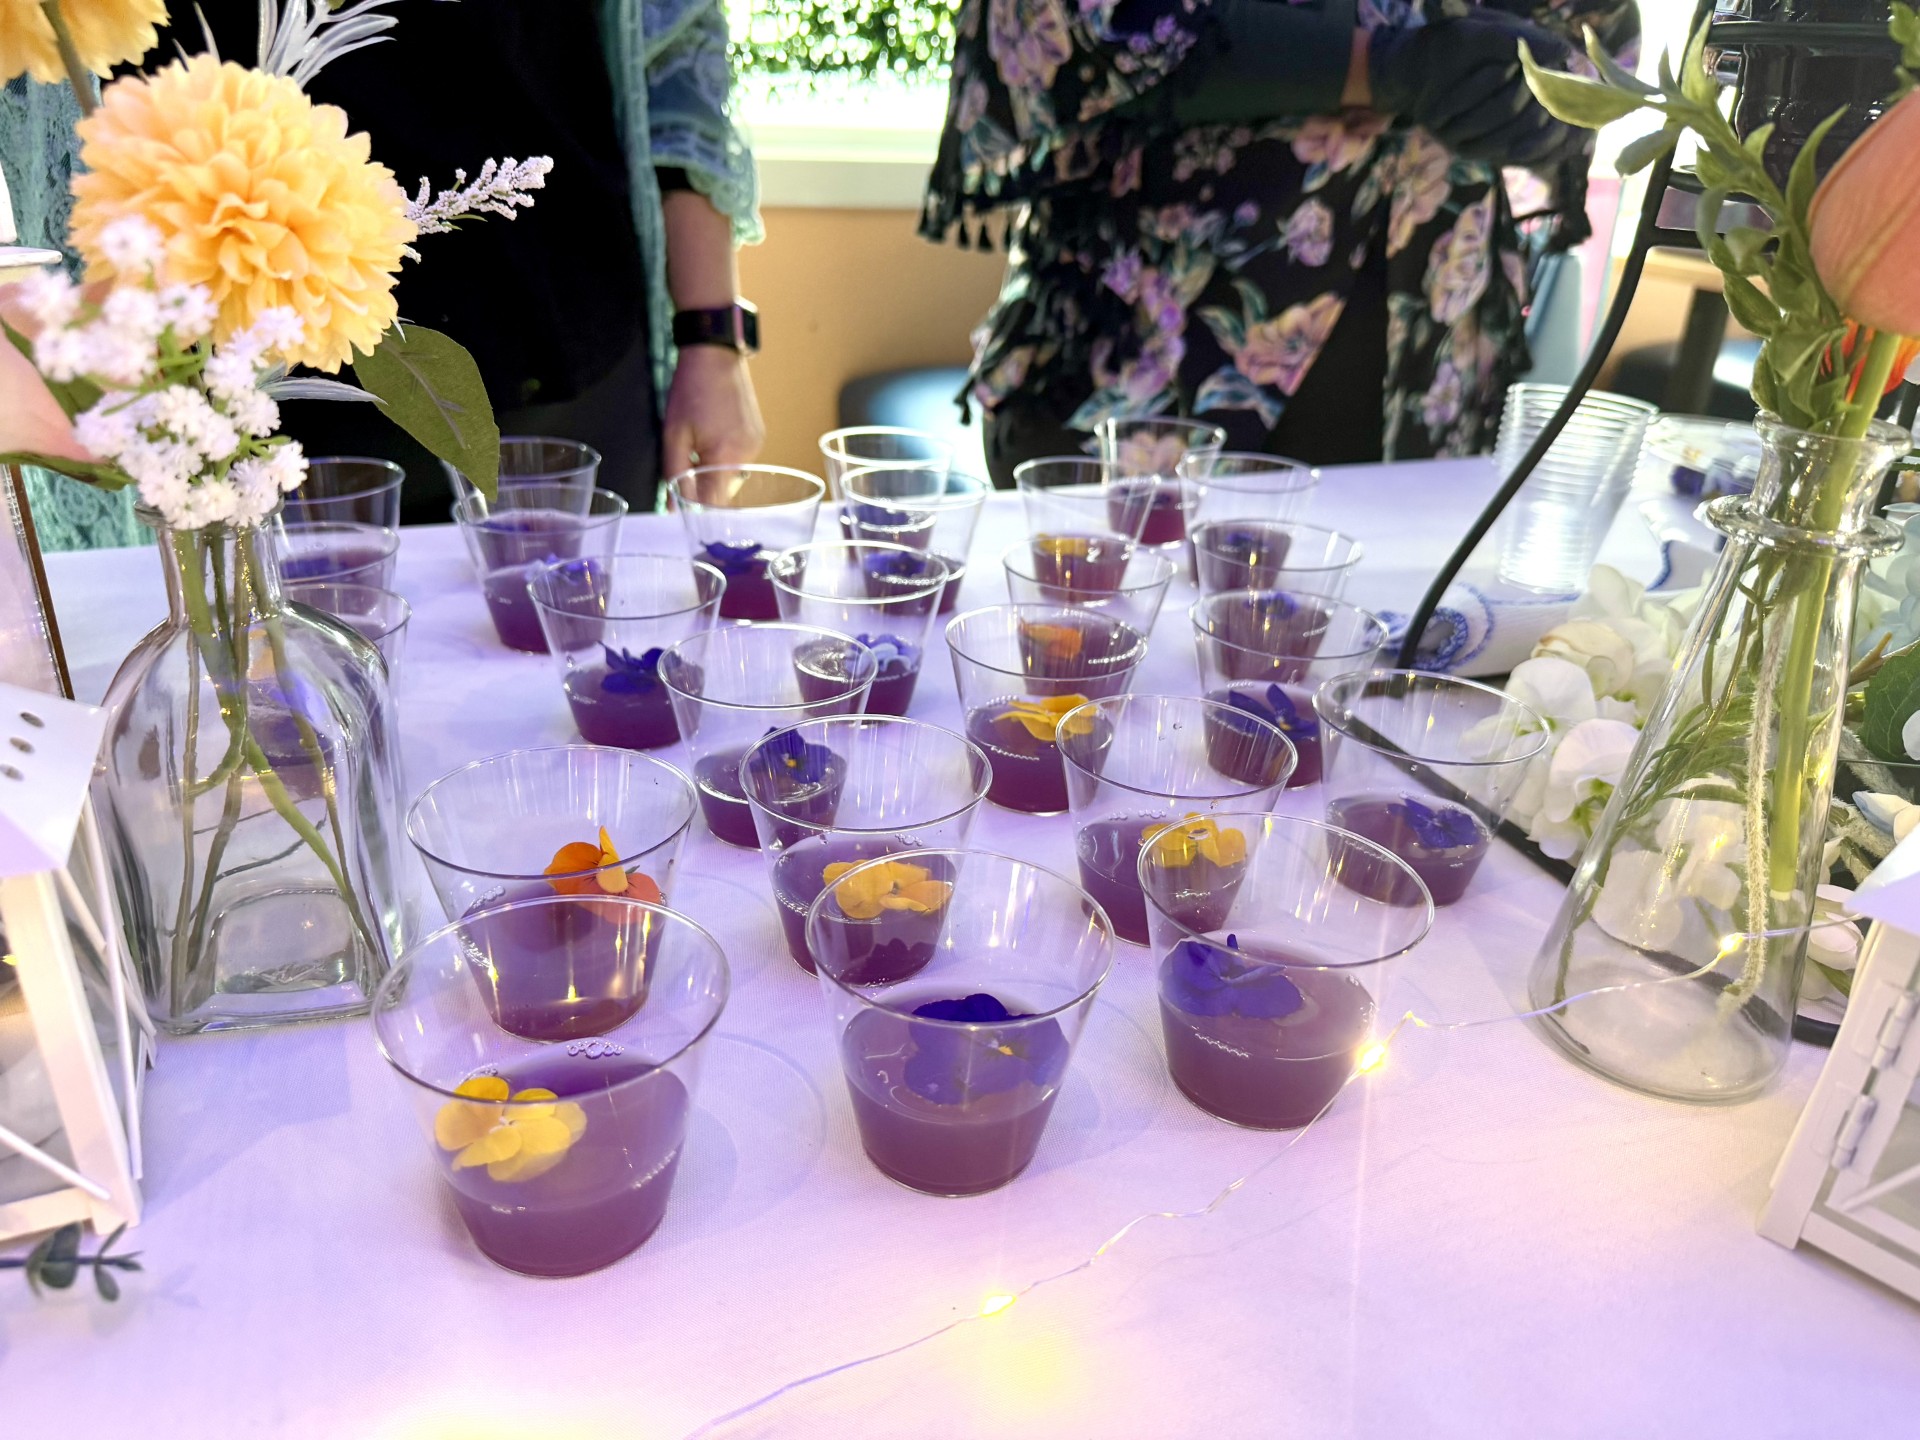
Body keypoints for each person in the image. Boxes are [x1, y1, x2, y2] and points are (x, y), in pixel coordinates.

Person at [0, 0, 765, 537]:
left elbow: (676, 58)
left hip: (566, 351)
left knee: (577, 721)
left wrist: (712, 333)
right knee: (265, 740)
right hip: (234, 401)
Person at [924, 0, 1640, 486]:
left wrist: (1555, 93)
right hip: (1140, 387)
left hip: (1430, 404)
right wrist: (1386, 65)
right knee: (1094, 689)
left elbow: (1602, 33)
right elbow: (1061, 31)